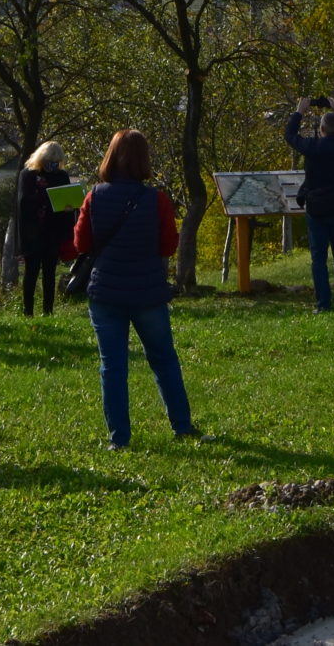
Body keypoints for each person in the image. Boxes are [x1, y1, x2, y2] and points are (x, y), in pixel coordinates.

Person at [61, 127, 197, 448]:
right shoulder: (157, 199)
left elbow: (81, 243)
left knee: (113, 366)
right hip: (147, 290)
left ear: (111, 157)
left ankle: (119, 438)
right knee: (164, 359)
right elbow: (168, 245)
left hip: (106, 292)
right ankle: (182, 425)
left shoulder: (94, 197)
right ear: (143, 160)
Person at [284, 97, 334, 311]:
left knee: (318, 258)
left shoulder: (312, 146)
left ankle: (323, 302)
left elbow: (290, 135)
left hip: (316, 207)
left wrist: (299, 111)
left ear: (322, 129)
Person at [16, 141, 75, 317]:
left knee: (50, 273)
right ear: (42, 158)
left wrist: (69, 208)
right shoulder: (28, 175)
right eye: (51, 160)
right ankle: (28, 311)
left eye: (57, 161)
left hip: (53, 232)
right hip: (32, 232)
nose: (54, 165)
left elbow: (67, 200)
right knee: (31, 272)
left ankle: (48, 311)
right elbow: (23, 203)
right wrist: (45, 196)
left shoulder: (61, 175)